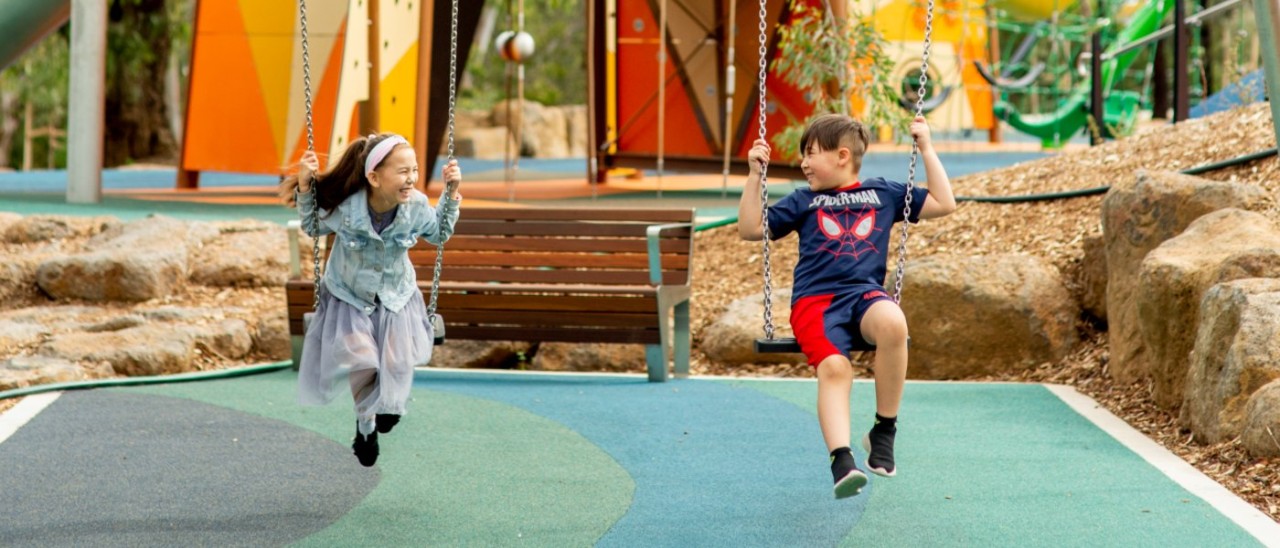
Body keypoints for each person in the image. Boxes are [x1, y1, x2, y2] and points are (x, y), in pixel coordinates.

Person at [738, 114, 956, 498]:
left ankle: (883, 432)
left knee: (894, 323)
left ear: (841, 156)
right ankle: (842, 460)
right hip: (816, 303)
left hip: (864, 295)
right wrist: (755, 176)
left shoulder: (883, 192)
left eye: (811, 153)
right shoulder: (804, 200)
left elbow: (944, 202)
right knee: (836, 368)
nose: (804, 163)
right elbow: (750, 229)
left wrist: (926, 147)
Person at [282, 133, 462, 467]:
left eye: (415, 170)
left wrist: (451, 193)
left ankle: (388, 411)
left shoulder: (417, 207)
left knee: (395, 362)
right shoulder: (348, 208)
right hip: (349, 296)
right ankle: (365, 425)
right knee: (363, 360)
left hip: (396, 296)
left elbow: (439, 234)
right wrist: (306, 187)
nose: (411, 178)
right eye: (402, 171)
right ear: (374, 177)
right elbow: (312, 226)